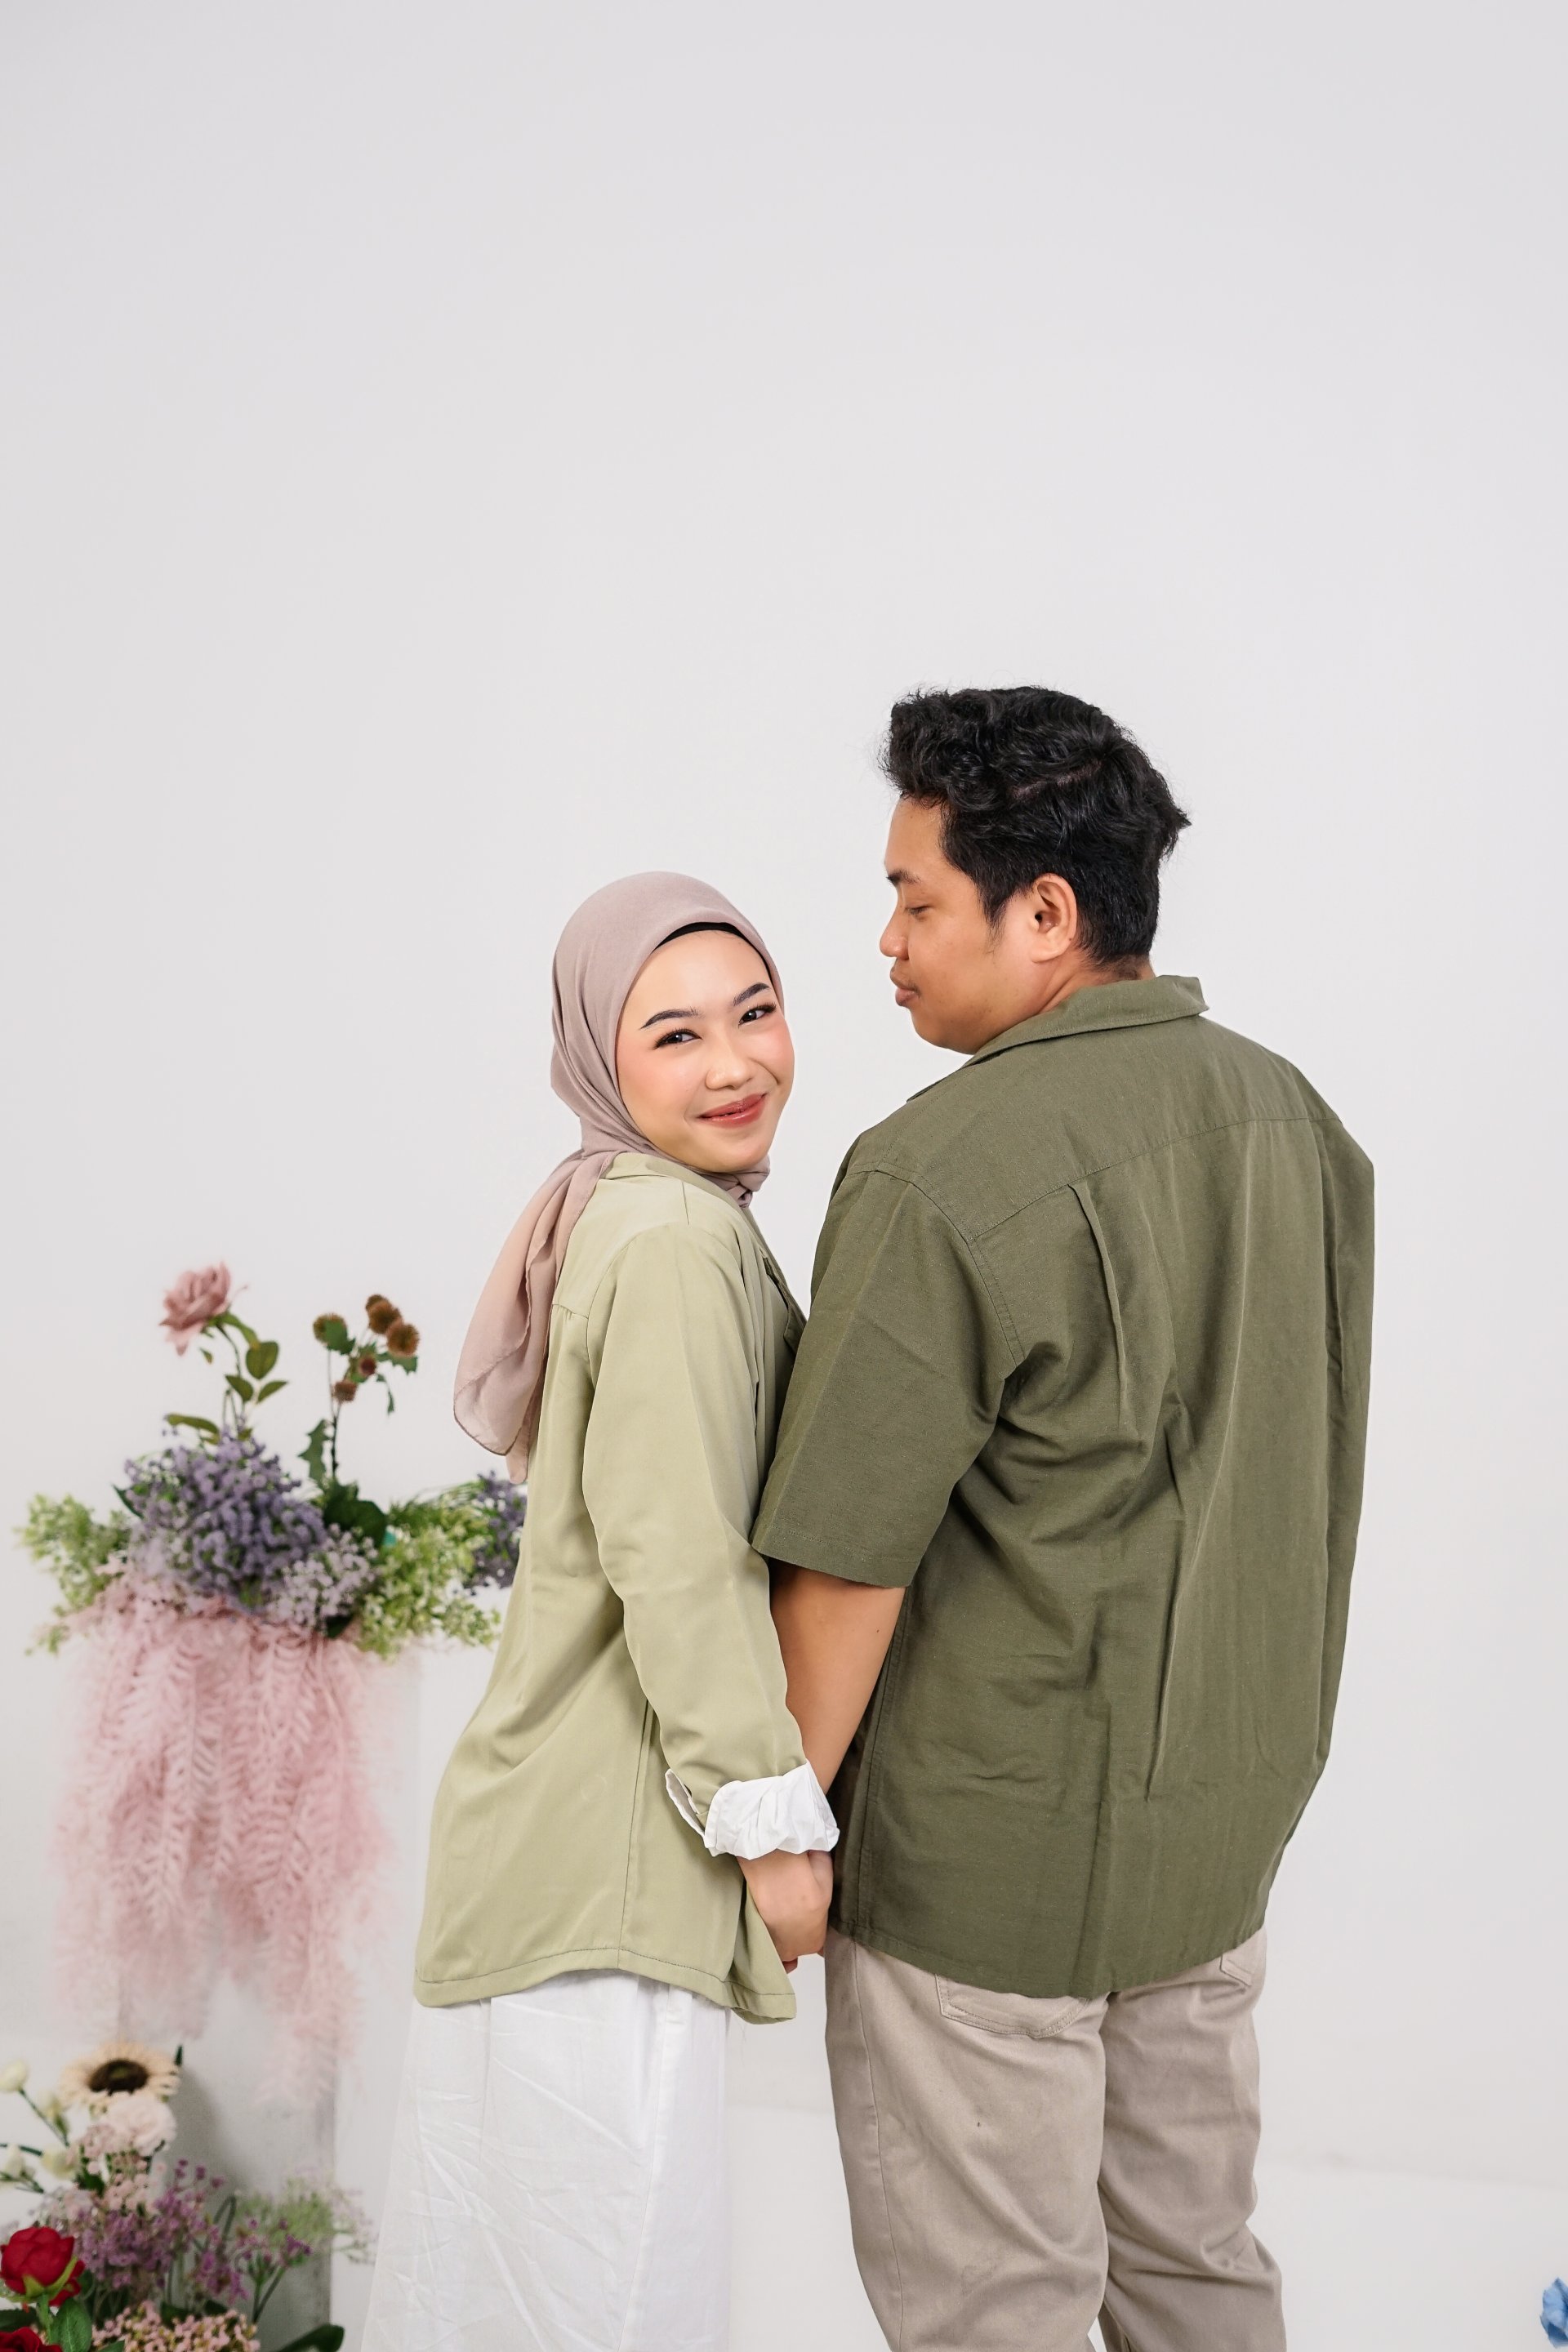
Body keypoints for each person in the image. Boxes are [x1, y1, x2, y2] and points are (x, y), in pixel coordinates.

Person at [755, 686, 1375, 2352]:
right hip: (1216, 1838)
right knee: (1197, 2273)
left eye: (915, 899)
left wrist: (773, 1827)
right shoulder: (1298, 1123)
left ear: (1044, 912)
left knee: (998, 2316)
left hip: (986, 1872)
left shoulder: (939, 1165)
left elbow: (848, 1557)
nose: (886, 941)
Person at [363, 873, 835, 2352]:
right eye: (676, 1036)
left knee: (506, 2300)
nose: (734, 1064)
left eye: (755, 1013)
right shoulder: (674, 1238)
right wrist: (773, 1830)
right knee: (606, 2304)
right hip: (605, 1864)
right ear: (599, 1062)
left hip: (559, 1854)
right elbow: (677, 1556)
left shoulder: (648, 1214)